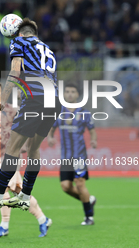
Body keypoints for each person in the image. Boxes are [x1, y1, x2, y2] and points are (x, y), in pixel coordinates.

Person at [0, 17, 61, 213]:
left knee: (13, 146)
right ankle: (25, 196)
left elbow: (15, 71)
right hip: (54, 101)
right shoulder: (47, 49)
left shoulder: (19, 41)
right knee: (33, 148)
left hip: (36, 99)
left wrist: (3, 99)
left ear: (19, 32)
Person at [0, 80, 52, 237]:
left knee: (2, 188)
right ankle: (43, 219)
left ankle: (4, 226)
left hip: (11, 156)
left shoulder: (12, 110)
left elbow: (26, 127)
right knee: (18, 191)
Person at [47, 83, 97, 225]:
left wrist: (93, 141)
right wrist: (50, 137)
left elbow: (92, 130)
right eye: (67, 91)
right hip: (66, 157)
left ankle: (89, 217)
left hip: (79, 155)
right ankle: (90, 200)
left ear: (77, 95)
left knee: (80, 184)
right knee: (66, 187)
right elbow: (51, 127)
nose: (69, 93)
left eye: (72, 91)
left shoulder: (84, 113)